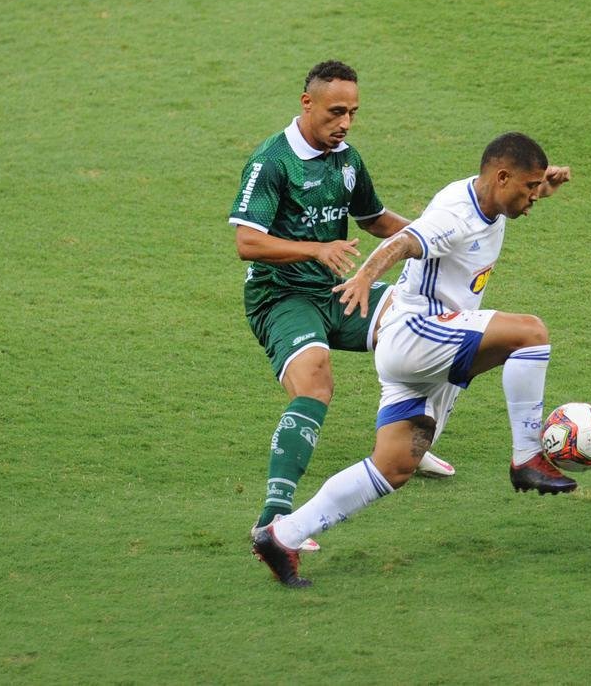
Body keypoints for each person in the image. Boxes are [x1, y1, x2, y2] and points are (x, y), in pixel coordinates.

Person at [252, 131, 573, 587]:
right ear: (502, 177)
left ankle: (282, 536)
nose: (534, 196)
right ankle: (528, 456)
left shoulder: (491, 196)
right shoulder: (456, 215)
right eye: (529, 187)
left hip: (426, 348)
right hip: (417, 335)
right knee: (530, 334)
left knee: (395, 465)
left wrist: (543, 183)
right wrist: (364, 278)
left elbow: (513, 192)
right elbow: (402, 241)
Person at [230, 61, 455, 552]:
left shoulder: (347, 159)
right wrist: (316, 249)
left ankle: (411, 445)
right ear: (307, 103)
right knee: (316, 380)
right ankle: (272, 518)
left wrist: (436, 235)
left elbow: (373, 219)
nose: (346, 122)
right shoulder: (273, 161)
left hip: (337, 290)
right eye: (336, 111)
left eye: (353, 112)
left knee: (431, 328)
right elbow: (247, 242)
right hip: (281, 297)